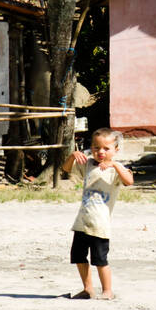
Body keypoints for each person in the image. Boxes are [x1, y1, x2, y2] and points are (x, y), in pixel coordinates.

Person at [61, 128, 134, 300]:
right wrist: (72, 156)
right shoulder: (88, 165)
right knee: (78, 256)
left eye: (106, 149)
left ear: (116, 150)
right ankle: (88, 289)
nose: (100, 152)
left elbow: (129, 181)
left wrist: (115, 165)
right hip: (82, 220)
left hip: (100, 224)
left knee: (100, 259)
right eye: (96, 148)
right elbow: (66, 169)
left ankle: (107, 291)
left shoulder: (117, 169)